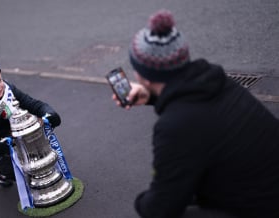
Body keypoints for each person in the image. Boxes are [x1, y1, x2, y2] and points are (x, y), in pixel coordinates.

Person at [112, 9, 279, 218]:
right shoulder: (218, 82)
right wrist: (152, 97)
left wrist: (140, 202)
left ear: (144, 74)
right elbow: (196, 113)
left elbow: (160, 209)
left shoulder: (174, 127)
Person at [0, 60, 61, 187]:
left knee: (42, 157)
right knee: (17, 173)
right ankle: (1, 172)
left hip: (19, 133)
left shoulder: (8, 90)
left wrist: (49, 113)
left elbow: (32, 104)